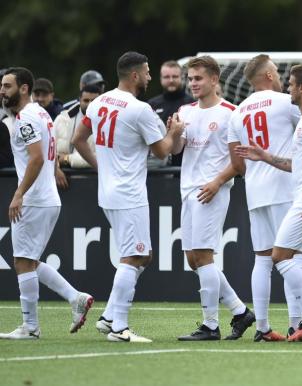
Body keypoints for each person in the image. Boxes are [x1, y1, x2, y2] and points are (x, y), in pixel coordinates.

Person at [72, 52, 184, 343]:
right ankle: (119, 327)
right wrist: (175, 132)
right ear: (134, 75)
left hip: (109, 191)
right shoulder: (140, 109)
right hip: (130, 194)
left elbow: (78, 140)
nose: (149, 77)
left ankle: (109, 315)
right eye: (147, 72)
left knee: (143, 254)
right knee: (133, 256)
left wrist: (102, 167)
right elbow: (163, 152)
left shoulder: (98, 102)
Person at [236, 64, 302, 344]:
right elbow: (298, 165)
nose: (287, 87)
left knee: (280, 256)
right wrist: (265, 156)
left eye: (291, 84)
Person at [0, 67, 93, 340]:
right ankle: (75, 297)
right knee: (28, 260)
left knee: (22, 261)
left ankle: (30, 327)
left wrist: (19, 194)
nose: (2, 90)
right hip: (45, 197)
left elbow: (37, 158)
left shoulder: (27, 118)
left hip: (34, 199)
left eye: (7, 86)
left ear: (24, 88)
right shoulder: (40, 113)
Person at [171, 56, 255, 342]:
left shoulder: (231, 113)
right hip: (188, 190)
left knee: (204, 256)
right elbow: (175, 149)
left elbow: (240, 161)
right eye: (191, 78)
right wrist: (173, 135)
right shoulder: (184, 111)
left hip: (212, 190)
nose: (193, 83)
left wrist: (218, 182)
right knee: (193, 259)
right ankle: (240, 310)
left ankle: (210, 326)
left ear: (215, 80)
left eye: (198, 78)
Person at [228, 54, 302, 342]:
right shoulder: (286, 103)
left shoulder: (237, 113)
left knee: (262, 259)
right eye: (276, 71)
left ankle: (262, 328)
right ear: (269, 76)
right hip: (284, 187)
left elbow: (236, 160)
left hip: (255, 189)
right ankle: (298, 324)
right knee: (293, 256)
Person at [52, 84, 102, 189]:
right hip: (62, 185)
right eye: (86, 100)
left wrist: (66, 159)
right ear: (79, 100)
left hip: (94, 184)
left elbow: (101, 159)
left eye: (94, 101)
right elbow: (48, 151)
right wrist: (55, 169)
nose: (90, 104)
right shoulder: (61, 119)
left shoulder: (108, 124)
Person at [148, 60, 194, 166]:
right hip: (157, 168)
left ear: (182, 77)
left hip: (184, 167)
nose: (171, 80)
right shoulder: (151, 105)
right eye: (167, 77)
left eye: (175, 76)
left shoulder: (192, 104)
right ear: (160, 79)